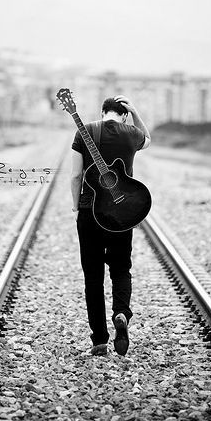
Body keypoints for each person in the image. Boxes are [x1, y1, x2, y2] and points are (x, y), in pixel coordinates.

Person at [71, 95, 151, 356]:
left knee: (93, 277)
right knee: (121, 267)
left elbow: (75, 174)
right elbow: (147, 139)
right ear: (123, 115)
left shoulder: (85, 132)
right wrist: (135, 111)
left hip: (89, 212)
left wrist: (76, 207)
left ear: (102, 111)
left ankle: (100, 341)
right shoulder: (131, 133)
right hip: (121, 215)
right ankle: (121, 313)